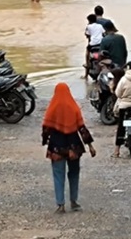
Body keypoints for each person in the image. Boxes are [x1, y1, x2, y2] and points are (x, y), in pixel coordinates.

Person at [41, 82, 96, 213]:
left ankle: (60, 204)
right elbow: (82, 128)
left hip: (56, 147)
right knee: (74, 173)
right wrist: (90, 146)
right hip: (74, 146)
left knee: (58, 174)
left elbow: (46, 127)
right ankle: (74, 201)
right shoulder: (73, 107)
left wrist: (45, 141)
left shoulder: (52, 108)